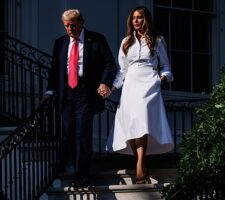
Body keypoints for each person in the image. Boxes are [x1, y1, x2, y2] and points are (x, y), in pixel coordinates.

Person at [42, 9, 116, 188]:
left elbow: (109, 63)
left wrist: (104, 83)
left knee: (82, 135)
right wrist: (49, 91)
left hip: (86, 92)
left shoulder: (96, 39)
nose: (69, 29)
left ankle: (82, 176)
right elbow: (55, 70)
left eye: (73, 25)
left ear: (81, 22)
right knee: (68, 134)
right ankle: (76, 169)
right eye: (66, 26)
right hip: (66, 92)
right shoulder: (60, 43)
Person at [106, 6, 174, 184]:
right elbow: (122, 71)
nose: (136, 21)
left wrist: (161, 79)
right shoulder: (125, 42)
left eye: (140, 17)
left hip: (149, 84)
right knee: (132, 124)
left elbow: (166, 67)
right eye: (134, 18)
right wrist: (112, 87)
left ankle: (139, 167)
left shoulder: (157, 40)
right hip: (130, 85)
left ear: (146, 19)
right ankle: (142, 165)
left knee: (142, 122)